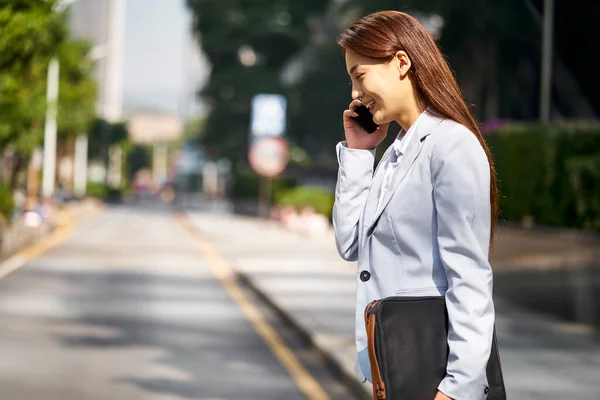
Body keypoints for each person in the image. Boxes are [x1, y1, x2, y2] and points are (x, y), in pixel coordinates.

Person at [333, 10, 499, 400]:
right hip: (392, 364)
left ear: (402, 62)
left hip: (433, 373)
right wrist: (358, 154)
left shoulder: (451, 146)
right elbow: (348, 243)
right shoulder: (394, 155)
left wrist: (459, 388)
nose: (356, 94)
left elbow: (470, 277)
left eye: (360, 76)